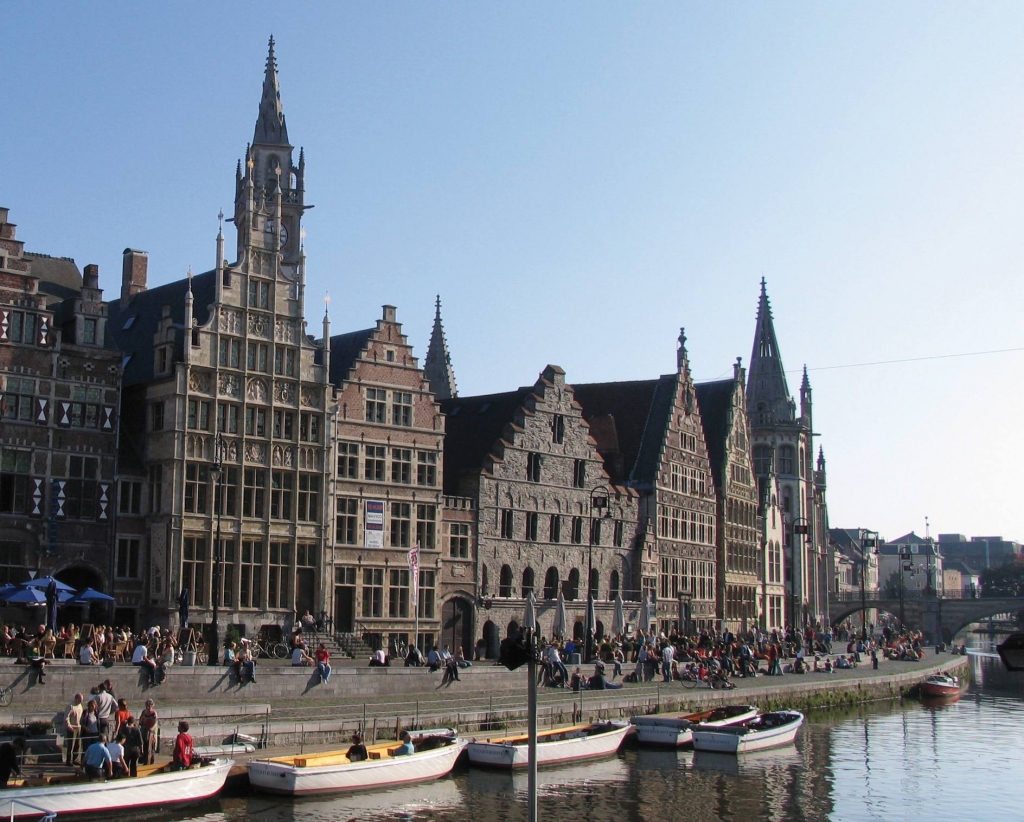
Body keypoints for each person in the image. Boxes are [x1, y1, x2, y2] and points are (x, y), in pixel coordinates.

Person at [64, 693, 84, 767]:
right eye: (80, 700)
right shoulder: (70, 706)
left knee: (77, 745)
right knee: (71, 745)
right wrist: (68, 726)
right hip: (72, 727)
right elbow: (66, 717)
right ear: (76, 698)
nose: (81, 701)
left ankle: (75, 759)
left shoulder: (80, 706)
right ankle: (68, 760)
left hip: (78, 727)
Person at [139, 699, 158, 765]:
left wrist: (152, 728)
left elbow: (155, 722)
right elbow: (140, 720)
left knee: (150, 745)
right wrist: (141, 720)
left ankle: (150, 759)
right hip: (144, 729)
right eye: (147, 706)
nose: (148, 707)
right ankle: (143, 758)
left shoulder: (154, 713)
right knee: (143, 743)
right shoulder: (144, 712)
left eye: (149, 706)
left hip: (150, 731)